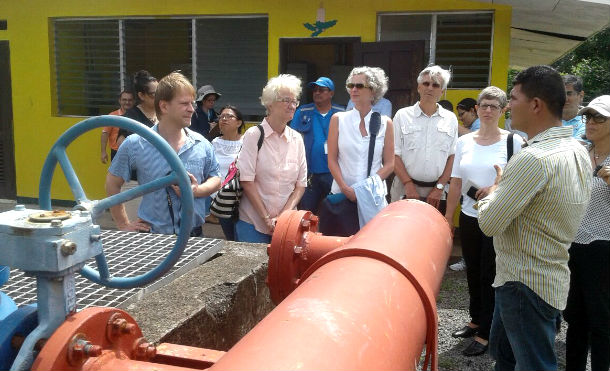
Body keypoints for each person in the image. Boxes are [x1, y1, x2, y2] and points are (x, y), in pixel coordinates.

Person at [477, 65, 592, 371]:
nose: (507, 106)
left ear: (536, 105)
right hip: (547, 276)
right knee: (506, 355)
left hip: (523, 282)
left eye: (513, 98)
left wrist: (495, 191)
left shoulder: (532, 158)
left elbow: (489, 224)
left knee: (534, 364)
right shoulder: (577, 149)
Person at [445, 86, 524, 357]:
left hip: (497, 219)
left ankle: (486, 333)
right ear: (477, 109)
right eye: (484, 105)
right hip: (469, 216)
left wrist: (495, 189)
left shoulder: (514, 142)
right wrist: (449, 218)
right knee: (473, 271)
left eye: (494, 106)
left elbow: (520, 184)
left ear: (504, 111)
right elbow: (456, 182)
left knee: (491, 274)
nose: (488, 110)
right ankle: (475, 319)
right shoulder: (464, 142)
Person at [106, 72, 221, 236]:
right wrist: (123, 223)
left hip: (193, 235)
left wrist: (196, 190)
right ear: (164, 106)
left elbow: (216, 178)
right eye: (184, 104)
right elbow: (112, 182)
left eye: (192, 103)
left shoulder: (201, 144)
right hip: (154, 236)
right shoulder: (136, 143)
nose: (191, 109)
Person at [564, 95, 610, 371]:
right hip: (573, 244)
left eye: (598, 117)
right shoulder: (580, 152)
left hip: (604, 245)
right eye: (587, 116)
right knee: (574, 317)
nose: (590, 122)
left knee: (601, 318)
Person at [235, 74, 307, 243]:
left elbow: (300, 185)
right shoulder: (254, 135)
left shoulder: (297, 139)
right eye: (286, 100)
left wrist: (283, 218)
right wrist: (266, 218)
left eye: (295, 101)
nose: (292, 106)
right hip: (252, 223)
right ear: (270, 103)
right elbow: (247, 180)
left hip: (286, 227)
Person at [327, 66, 394, 227]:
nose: (354, 89)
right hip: (342, 196)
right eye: (351, 85)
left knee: (372, 245)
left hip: (373, 198)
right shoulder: (338, 119)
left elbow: (390, 164)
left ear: (373, 90)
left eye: (359, 86)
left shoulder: (386, 123)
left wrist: (365, 189)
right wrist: (345, 189)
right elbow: (332, 159)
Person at [390, 65, 458, 214]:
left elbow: (453, 156)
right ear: (419, 87)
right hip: (404, 189)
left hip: (437, 192)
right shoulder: (402, 116)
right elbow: (393, 154)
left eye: (435, 85)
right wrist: (408, 184)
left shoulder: (450, 119)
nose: (430, 88)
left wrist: (439, 187)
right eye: (426, 83)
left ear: (442, 91)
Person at [290, 76, 344, 214]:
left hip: (335, 173)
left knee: (335, 212)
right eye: (315, 90)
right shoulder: (302, 112)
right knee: (306, 212)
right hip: (309, 173)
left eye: (322, 90)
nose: (317, 93)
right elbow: (292, 140)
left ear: (331, 93)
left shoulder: (342, 113)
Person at [211, 105, 245, 241]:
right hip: (221, 199)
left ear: (239, 122)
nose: (224, 119)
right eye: (222, 116)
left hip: (241, 197)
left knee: (241, 236)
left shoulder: (247, 141)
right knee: (230, 237)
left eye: (229, 116)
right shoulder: (214, 143)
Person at [117, 70, 158, 144]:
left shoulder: (164, 112)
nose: (159, 97)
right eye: (154, 94)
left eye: (160, 92)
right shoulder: (131, 117)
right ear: (141, 95)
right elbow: (121, 143)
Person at [101, 90, 134, 163]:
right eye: (124, 100)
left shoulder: (137, 116)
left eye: (130, 100)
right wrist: (103, 152)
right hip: (116, 152)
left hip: (134, 153)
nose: (127, 102)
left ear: (133, 101)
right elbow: (105, 133)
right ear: (120, 101)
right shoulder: (112, 116)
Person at [561, 74, 586, 139]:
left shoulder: (589, 122)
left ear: (581, 95)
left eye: (569, 94)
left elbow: (578, 147)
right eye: (561, 94)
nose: (565, 99)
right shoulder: (547, 120)